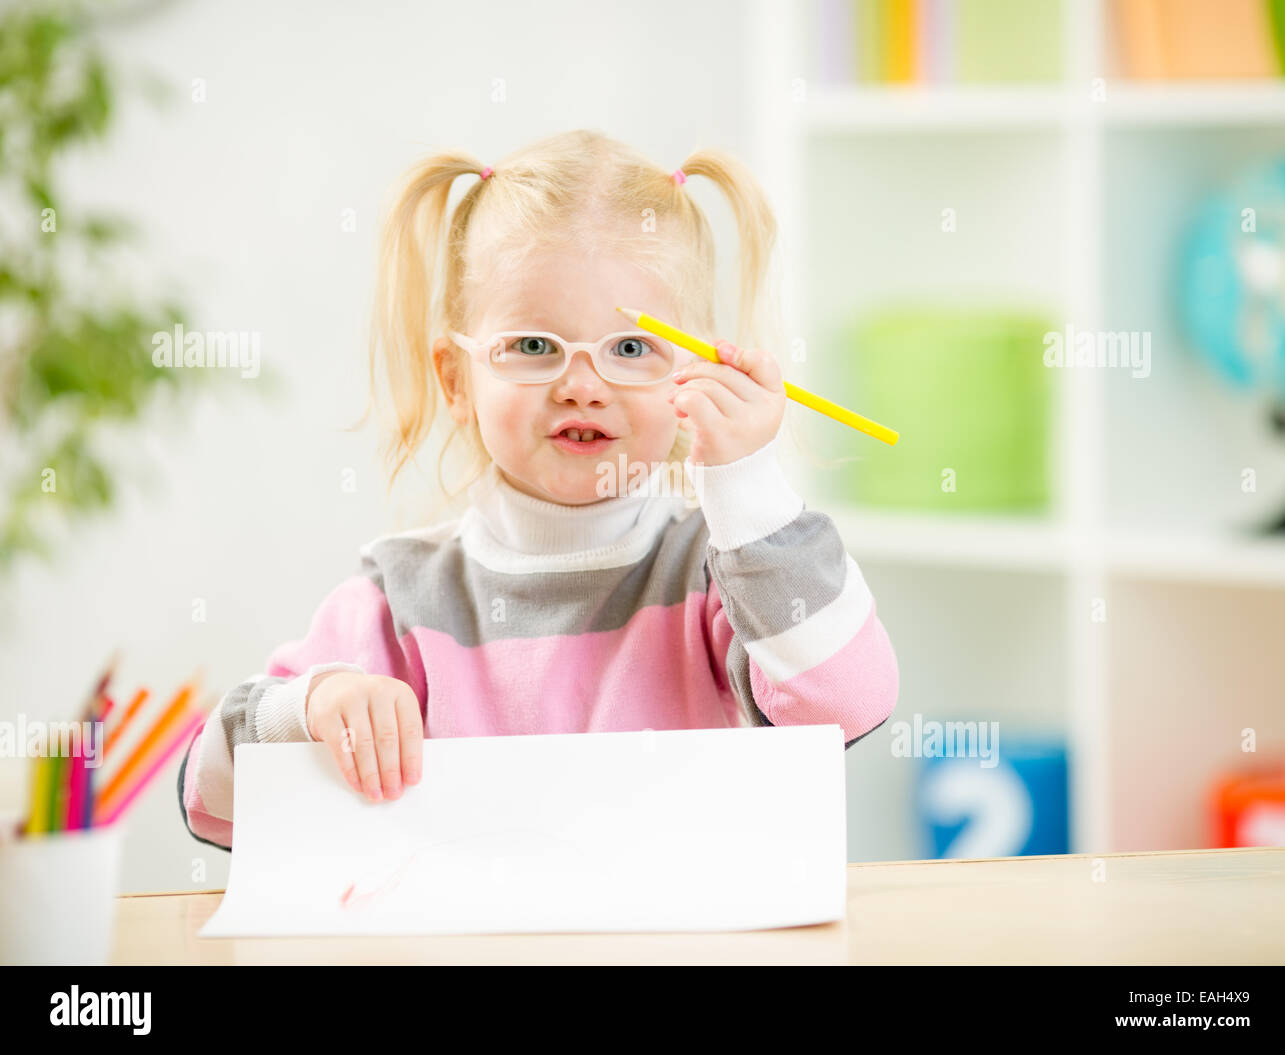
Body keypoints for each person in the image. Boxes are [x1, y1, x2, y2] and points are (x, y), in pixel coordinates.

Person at [179, 129, 898, 851]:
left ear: (692, 371)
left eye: (630, 348)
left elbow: (845, 701)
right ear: (457, 379)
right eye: (532, 346)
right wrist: (310, 708)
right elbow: (209, 798)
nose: (580, 386)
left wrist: (747, 484)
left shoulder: (724, 579)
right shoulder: (402, 600)